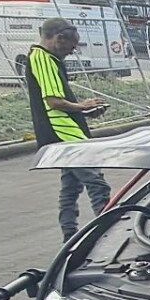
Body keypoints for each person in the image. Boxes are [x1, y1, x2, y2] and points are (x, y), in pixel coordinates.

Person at [25, 18, 110, 240]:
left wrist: (84, 111)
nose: (72, 52)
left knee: (70, 187)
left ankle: (69, 234)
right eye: (70, 46)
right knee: (96, 183)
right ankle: (109, 229)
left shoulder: (47, 58)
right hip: (65, 135)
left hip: (65, 134)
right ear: (58, 38)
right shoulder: (43, 58)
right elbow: (54, 101)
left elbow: (57, 102)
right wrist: (82, 106)